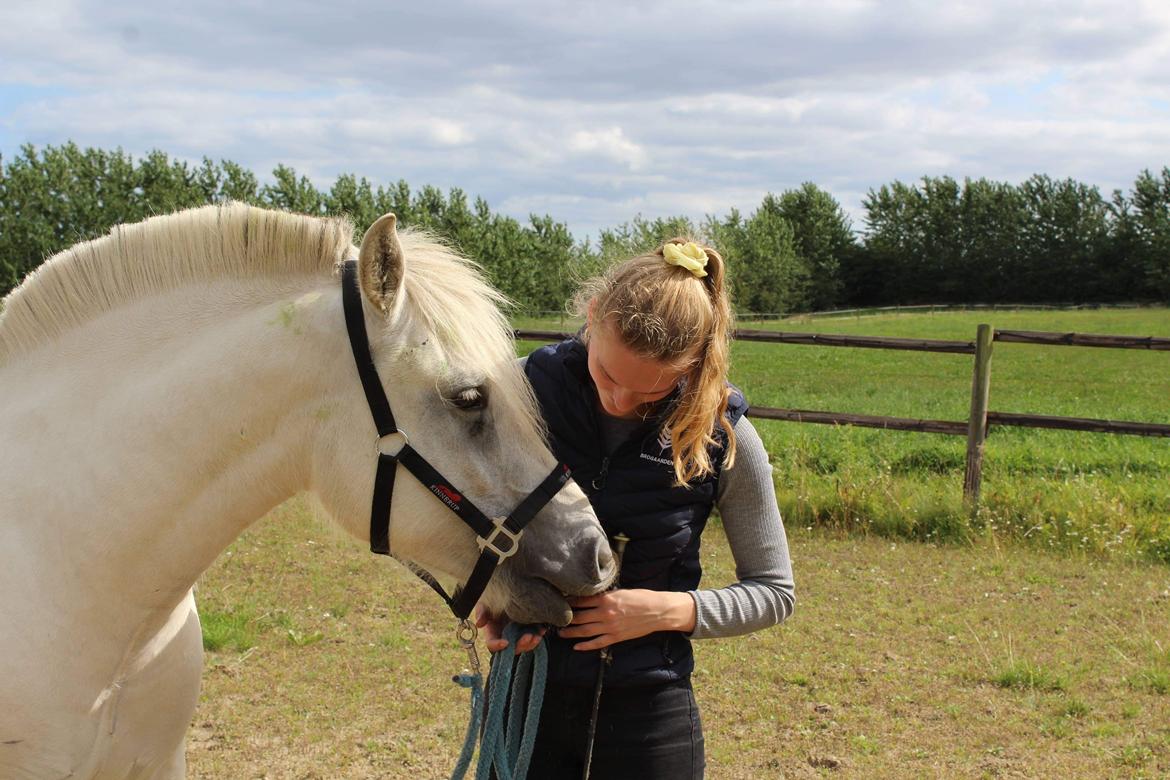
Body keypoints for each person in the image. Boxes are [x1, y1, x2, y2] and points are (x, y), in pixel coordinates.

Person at [477, 238, 795, 779]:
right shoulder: (517, 391)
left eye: (652, 391)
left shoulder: (724, 435)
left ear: (694, 363)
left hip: (651, 711)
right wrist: (491, 595)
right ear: (593, 315)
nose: (620, 402)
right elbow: (448, 508)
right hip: (526, 696)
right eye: (608, 375)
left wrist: (664, 611)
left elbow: (774, 592)